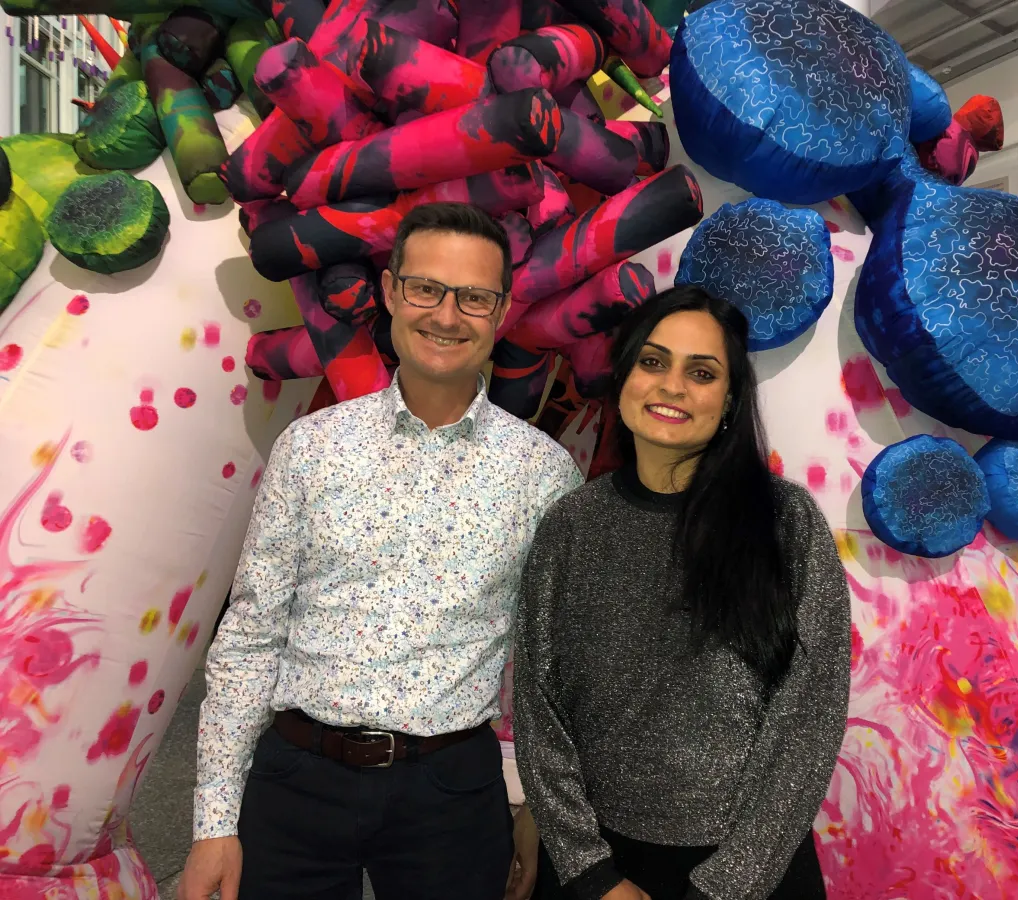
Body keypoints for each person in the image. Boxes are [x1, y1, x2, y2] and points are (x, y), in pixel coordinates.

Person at [179, 202, 583, 900]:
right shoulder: (312, 449)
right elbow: (250, 637)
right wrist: (214, 820)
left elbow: (540, 664)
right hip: (298, 777)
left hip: (453, 791)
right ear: (392, 291)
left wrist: (524, 803)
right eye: (426, 288)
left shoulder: (543, 475)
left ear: (502, 311)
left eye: (474, 297)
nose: (446, 316)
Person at [513, 286, 852, 900]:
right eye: (652, 361)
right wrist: (589, 869)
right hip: (601, 868)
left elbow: (809, 717)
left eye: (701, 372)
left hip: (751, 871)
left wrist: (730, 884)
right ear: (624, 377)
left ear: (728, 401)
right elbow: (539, 707)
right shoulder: (570, 526)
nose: (671, 385)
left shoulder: (785, 523)